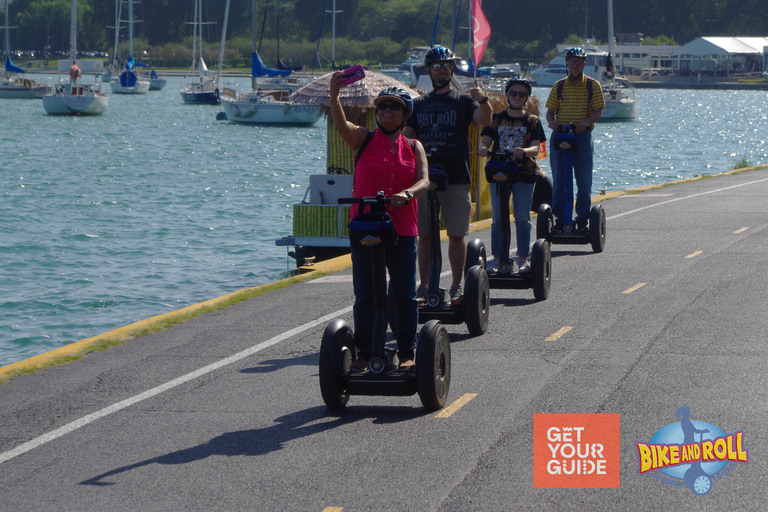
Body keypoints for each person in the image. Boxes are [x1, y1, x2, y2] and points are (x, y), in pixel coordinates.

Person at [329, 75, 429, 372]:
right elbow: (341, 124)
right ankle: (366, 352)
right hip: (365, 226)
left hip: (401, 228)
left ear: (404, 115)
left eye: (393, 108)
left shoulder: (413, 145)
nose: (385, 111)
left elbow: (424, 180)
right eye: (382, 107)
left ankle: (406, 351)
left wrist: (407, 194)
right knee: (366, 293)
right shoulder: (363, 138)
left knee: (403, 293)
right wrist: (335, 97)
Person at [402, 45, 492, 305]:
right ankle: (424, 285)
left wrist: (484, 99)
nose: (442, 71)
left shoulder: (464, 100)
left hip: (456, 177)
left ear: (451, 69)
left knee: (456, 235)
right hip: (424, 180)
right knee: (425, 236)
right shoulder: (418, 104)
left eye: (446, 66)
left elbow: (484, 119)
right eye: (436, 67)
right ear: (428, 70)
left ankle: (456, 285)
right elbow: (405, 139)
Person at [478, 77, 546, 273]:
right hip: (499, 171)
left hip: (524, 173)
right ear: (508, 95)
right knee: (498, 217)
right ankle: (497, 258)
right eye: (514, 93)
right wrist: (483, 148)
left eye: (522, 94)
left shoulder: (532, 121)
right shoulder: (496, 118)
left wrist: (524, 151)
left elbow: (536, 148)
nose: (517, 97)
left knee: (522, 216)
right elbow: (486, 140)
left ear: (526, 98)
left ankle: (523, 257)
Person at [545, 47, 605, 233]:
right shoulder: (559, 85)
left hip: (582, 136)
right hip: (561, 135)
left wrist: (586, 122)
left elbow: (598, 112)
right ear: (567, 64)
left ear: (584, 64)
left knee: (584, 181)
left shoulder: (592, 85)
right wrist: (552, 122)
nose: (575, 65)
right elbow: (549, 112)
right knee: (560, 181)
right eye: (572, 61)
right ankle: (561, 220)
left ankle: (582, 220)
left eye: (579, 62)